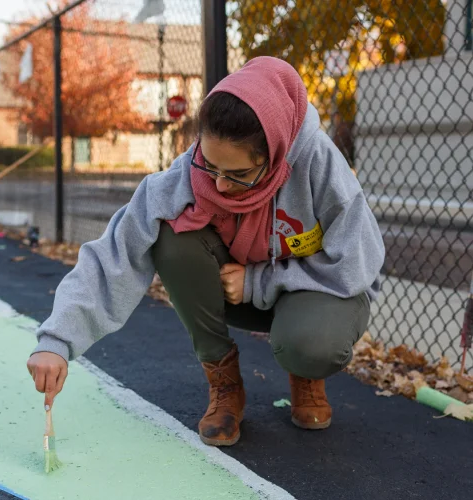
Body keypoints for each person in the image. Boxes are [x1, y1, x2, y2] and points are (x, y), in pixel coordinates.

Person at [26, 57, 385, 447]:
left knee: (309, 346)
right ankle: (225, 383)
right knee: (171, 235)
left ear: (276, 153)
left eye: (238, 174)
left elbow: (356, 262)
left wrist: (257, 282)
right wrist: (57, 342)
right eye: (209, 164)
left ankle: (306, 374)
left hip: (320, 292)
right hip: (234, 291)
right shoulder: (188, 174)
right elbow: (114, 255)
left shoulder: (317, 161)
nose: (219, 184)